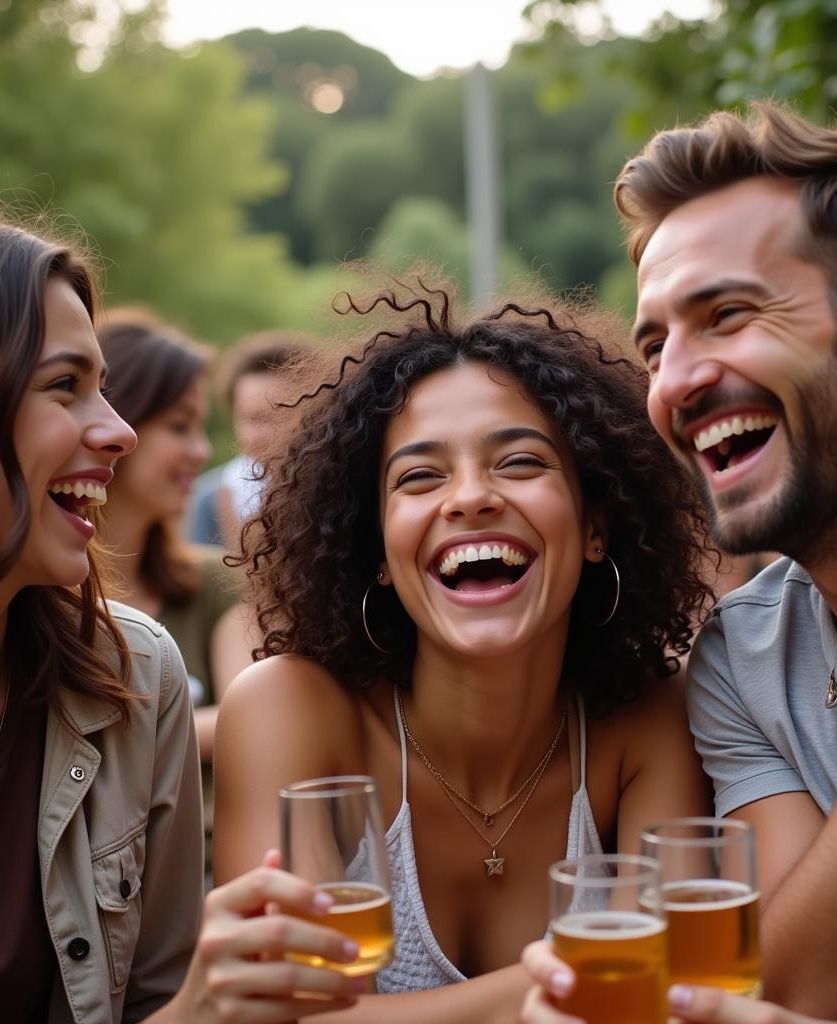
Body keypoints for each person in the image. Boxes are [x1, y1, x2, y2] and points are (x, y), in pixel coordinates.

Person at [525, 101, 837, 1023]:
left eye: (726, 315)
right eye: (655, 347)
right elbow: (803, 996)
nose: (673, 385)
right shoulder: (741, 657)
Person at [213, 282, 715, 1020]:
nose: (470, 497)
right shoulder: (288, 709)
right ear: (377, 549)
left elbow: (679, 995)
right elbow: (287, 1014)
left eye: (519, 463)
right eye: (419, 476)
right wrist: (599, 968)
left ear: (597, 523)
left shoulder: (648, 717)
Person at [0, 208, 384, 1022]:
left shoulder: (137, 676)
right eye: (64, 386)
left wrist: (202, 1007)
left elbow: (152, 1000)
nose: (118, 432)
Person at [96, 310, 254, 764]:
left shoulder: (215, 583)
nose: (202, 450)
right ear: (118, 426)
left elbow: (246, 720)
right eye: (179, 427)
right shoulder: (40, 597)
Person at [186, 331, 314, 550]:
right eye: (254, 419)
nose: (268, 435)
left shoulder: (343, 494)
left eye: (283, 417)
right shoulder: (203, 502)